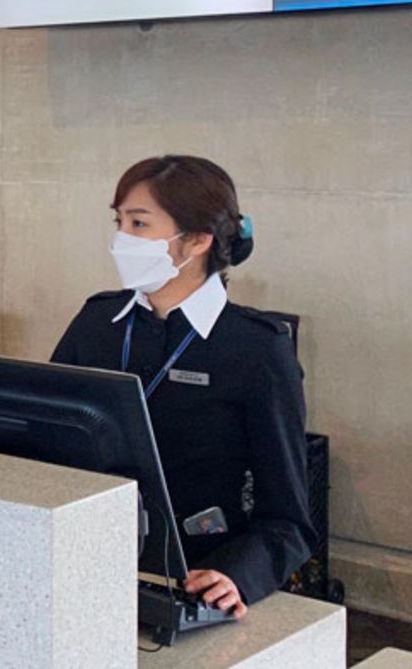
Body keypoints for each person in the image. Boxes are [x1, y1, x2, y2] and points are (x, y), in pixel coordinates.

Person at [51, 155, 314, 619]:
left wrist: (237, 575)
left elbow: (287, 521)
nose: (121, 239)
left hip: (190, 577)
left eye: (138, 223)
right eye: (120, 222)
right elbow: (42, 443)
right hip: (81, 561)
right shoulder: (96, 323)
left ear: (196, 240)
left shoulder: (257, 350)